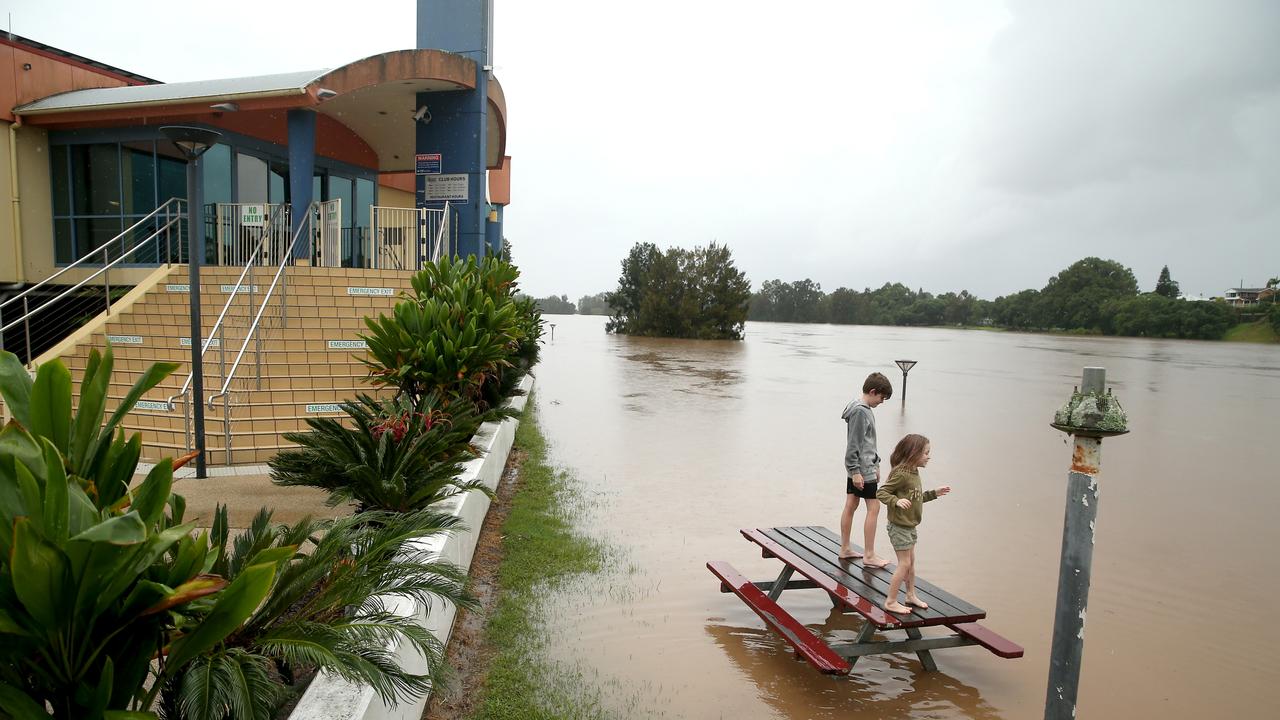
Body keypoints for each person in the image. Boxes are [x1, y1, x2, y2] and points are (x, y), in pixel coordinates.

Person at [876, 433, 950, 614]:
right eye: (926, 453)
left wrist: (934, 493)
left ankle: (910, 595)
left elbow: (916, 499)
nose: (928, 456)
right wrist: (895, 501)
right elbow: (882, 492)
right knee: (904, 564)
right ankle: (891, 601)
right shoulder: (902, 473)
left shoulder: (914, 472)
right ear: (913, 453)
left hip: (909, 526)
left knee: (911, 562)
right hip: (899, 526)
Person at [840, 372, 893, 566]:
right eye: (882, 397)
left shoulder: (857, 406)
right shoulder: (862, 411)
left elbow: (868, 442)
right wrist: (856, 471)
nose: (882, 402)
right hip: (861, 469)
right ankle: (869, 555)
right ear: (873, 391)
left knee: (851, 504)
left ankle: (845, 548)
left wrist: (876, 462)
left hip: (862, 466)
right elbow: (854, 444)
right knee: (874, 507)